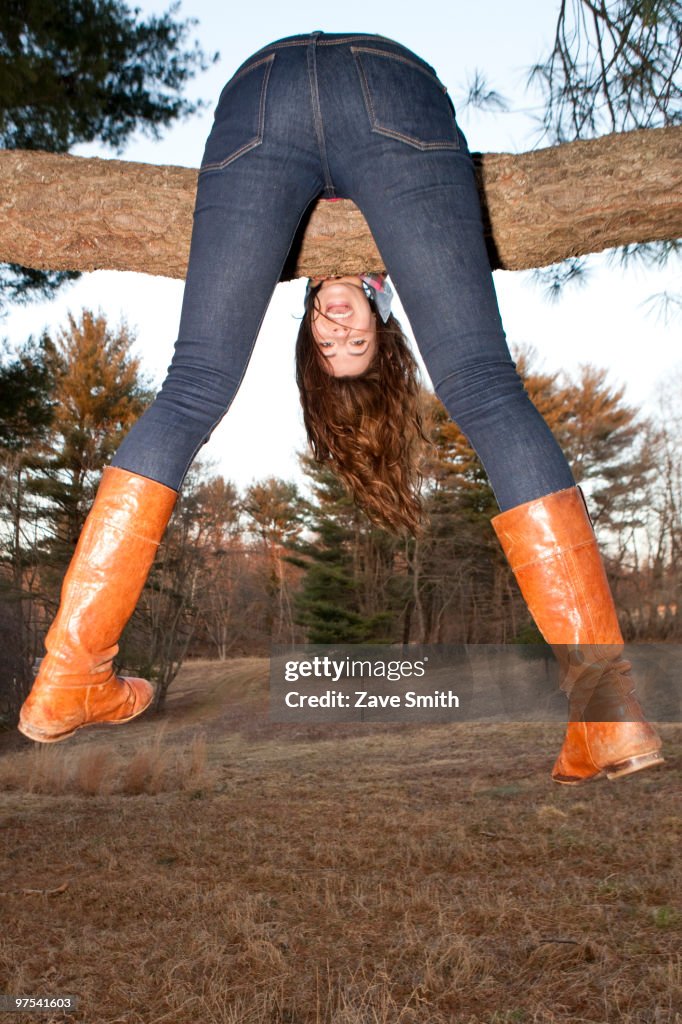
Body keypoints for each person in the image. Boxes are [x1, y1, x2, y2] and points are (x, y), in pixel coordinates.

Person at [18, 31, 663, 784]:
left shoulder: (319, 286)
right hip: (390, 91)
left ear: (305, 333)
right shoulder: (386, 289)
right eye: (355, 347)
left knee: (194, 384)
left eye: (328, 352)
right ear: (385, 331)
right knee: (482, 384)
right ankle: (606, 706)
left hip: (260, 98)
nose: (338, 333)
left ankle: (67, 675)